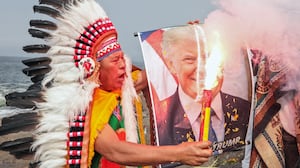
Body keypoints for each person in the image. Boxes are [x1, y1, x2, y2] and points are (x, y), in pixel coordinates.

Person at [29, 0, 212, 168]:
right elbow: (115, 150)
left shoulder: (123, 87)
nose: (124, 64)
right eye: (115, 60)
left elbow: (159, 71)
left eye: (122, 58)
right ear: (95, 68)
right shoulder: (84, 108)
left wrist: (189, 39)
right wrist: (180, 153)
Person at [152, 24, 252, 155]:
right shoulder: (161, 123)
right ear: (172, 65)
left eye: (209, 58)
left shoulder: (247, 111)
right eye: (189, 60)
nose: (202, 69)